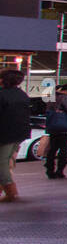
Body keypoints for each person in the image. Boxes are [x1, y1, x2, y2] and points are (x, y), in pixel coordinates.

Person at [0, 69, 29, 202]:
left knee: (2, 163)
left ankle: (10, 192)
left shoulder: (2, 95)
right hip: (19, 133)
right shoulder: (22, 94)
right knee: (8, 161)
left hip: (5, 133)